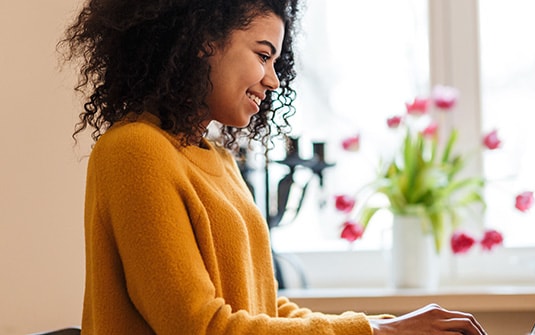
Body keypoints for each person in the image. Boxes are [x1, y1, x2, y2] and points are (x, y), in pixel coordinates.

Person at [60, 0, 488, 334]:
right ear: (203, 40)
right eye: (263, 55)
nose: (273, 79)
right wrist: (375, 331)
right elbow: (199, 328)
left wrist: (391, 327)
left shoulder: (219, 160)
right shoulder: (135, 149)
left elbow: (265, 306)